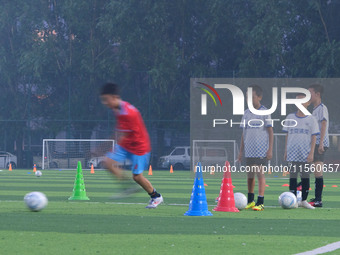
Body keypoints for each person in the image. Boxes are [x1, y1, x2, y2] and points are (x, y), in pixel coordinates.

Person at [100, 82, 163, 208]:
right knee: (107, 163)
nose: (105, 103)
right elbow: (120, 133)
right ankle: (127, 187)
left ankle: (156, 196)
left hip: (139, 147)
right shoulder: (117, 109)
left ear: (114, 97)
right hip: (126, 144)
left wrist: (101, 148)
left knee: (137, 177)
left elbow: (119, 135)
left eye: (106, 100)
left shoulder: (128, 113)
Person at [237, 85, 274, 211]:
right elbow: (244, 134)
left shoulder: (265, 112)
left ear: (259, 97)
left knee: (260, 175)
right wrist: (240, 151)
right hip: (249, 150)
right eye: (247, 96)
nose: (249, 99)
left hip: (261, 150)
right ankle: (251, 200)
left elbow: (270, 132)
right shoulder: (246, 113)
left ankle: (261, 202)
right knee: (250, 176)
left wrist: (270, 149)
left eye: (251, 96)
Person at [283, 93, 319, 209]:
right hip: (292, 153)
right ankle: (293, 200)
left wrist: (311, 152)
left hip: (305, 153)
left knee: (305, 177)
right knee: (293, 176)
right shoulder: (290, 117)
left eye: (302, 101)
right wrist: (286, 151)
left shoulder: (311, 119)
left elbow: (314, 137)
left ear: (308, 103)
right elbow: (287, 135)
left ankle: (304, 200)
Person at [308, 84, 329, 207]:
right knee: (312, 170)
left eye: (310, 93)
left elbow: (324, 124)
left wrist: (320, 143)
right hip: (314, 144)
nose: (308, 96)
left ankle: (318, 200)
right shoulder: (314, 109)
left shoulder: (322, 108)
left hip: (320, 144)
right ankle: (316, 197)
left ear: (317, 94)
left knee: (317, 172)